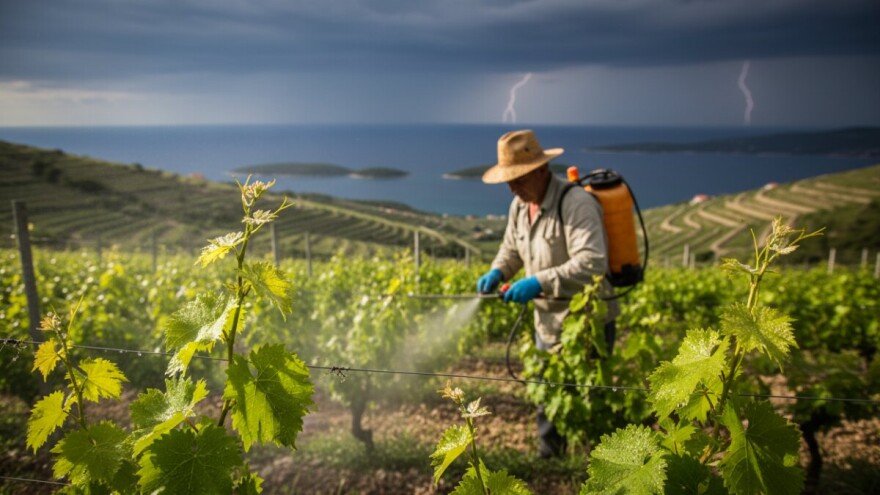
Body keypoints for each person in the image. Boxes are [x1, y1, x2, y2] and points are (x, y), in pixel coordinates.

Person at [476, 129, 618, 458]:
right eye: (509, 181)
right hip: (548, 322)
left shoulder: (577, 204)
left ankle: (594, 462)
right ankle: (551, 457)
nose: (513, 188)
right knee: (548, 390)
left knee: (588, 395)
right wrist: (498, 271)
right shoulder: (519, 206)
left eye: (519, 179)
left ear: (541, 170)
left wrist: (538, 282)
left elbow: (592, 263)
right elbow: (511, 249)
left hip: (587, 324)